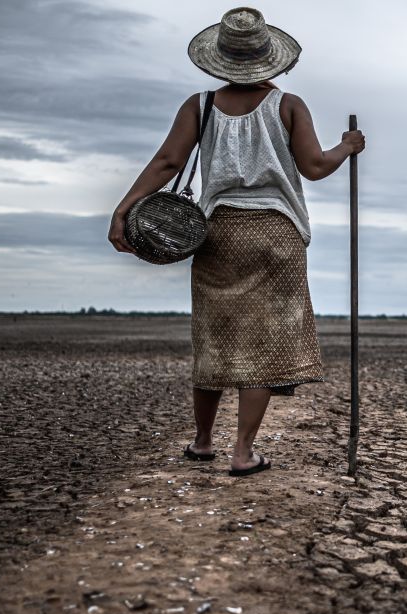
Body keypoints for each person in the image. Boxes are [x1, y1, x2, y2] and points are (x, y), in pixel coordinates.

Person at [108, 7, 365, 477]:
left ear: (220, 59)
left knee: (214, 336)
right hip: (276, 233)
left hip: (218, 231)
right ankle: (243, 453)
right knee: (263, 343)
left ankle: (203, 442)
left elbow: (168, 162)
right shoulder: (288, 105)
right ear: (272, 60)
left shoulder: (200, 105)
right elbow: (314, 166)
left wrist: (125, 208)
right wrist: (346, 147)